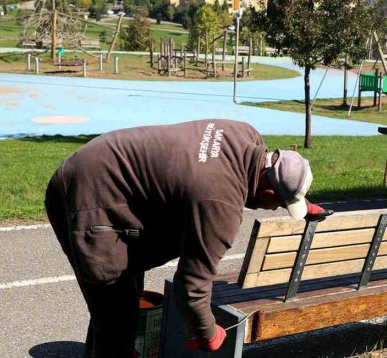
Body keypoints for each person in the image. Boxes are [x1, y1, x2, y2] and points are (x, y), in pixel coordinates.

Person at [44, 119, 331, 357]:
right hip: (87, 194)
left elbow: (266, 179)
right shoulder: (220, 203)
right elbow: (191, 288)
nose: (274, 209)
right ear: (267, 193)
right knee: (115, 309)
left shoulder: (246, 136)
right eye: (278, 205)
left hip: (99, 164)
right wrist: (208, 332)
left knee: (119, 304)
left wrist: (302, 206)